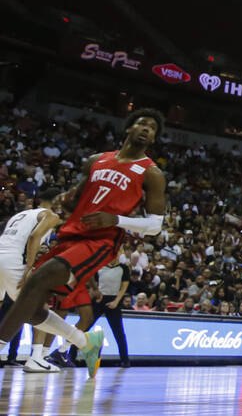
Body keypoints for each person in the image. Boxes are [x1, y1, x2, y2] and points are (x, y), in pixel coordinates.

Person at [0, 108, 168, 378]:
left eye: (153, 128)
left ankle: (1, 343)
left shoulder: (152, 173)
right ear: (129, 128)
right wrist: (68, 199)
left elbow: (155, 225)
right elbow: (78, 196)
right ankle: (85, 342)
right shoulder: (96, 160)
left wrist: (115, 219)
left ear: (153, 139)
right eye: (143, 124)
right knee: (28, 304)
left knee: (38, 279)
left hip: (101, 240)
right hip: (72, 233)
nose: (147, 129)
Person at [0, 187, 62, 372]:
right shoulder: (51, 215)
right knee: (39, 306)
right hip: (14, 262)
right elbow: (34, 237)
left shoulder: (21, 215)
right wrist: (28, 267)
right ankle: (36, 357)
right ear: (57, 201)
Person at [92, 258, 131, 367]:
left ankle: (125, 360)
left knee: (119, 332)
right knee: (84, 327)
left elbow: (124, 287)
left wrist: (116, 301)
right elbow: (94, 282)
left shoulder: (123, 268)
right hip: (99, 299)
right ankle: (70, 355)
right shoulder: (99, 265)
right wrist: (96, 294)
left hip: (114, 300)